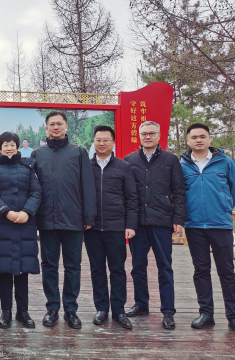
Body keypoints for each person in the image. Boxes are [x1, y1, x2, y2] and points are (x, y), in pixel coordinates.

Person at [180, 123, 235, 338]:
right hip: (194, 226)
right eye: (194, 137)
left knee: (227, 271)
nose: (198, 140)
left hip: (220, 224)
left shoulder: (225, 163)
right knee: (201, 270)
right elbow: (178, 193)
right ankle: (206, 313)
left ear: (209, 139)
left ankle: (234, 317)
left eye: (202, 136)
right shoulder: (182, 166)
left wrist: (224, 207)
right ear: (188, 141)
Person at [31, 111, 96, 329]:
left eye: (59, 124)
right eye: (52, 124)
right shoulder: (37, 154)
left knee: (73, 266)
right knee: (49, 266)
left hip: (73, 219)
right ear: (46, 128)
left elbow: (87, 185)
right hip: (46, 220)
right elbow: (32, 187)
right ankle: (52, 308)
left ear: (66, 127)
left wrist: (88, 215)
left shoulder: (78, 152)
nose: (56, 127)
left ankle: (70, 309)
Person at [124, 120, 186, 330]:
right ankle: (141, 304)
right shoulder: (130, 160)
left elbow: (179, 191)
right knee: (137, 267)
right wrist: (128, 222)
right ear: (139, 136)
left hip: (162, 222)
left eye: (152, 133)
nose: (148, 137)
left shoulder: (170, 160)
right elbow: (127, 194)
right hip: (138, 223)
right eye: (144, 133)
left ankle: (168, 311)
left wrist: (178, 219)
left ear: (159, 136)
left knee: (164, 267)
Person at [0, 132, 41, 329]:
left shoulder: (28, 167)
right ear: (0, 148)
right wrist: (6, 212)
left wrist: (26, 212)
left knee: (23, 269)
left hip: (25, 223)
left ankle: (23, 312)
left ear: (17, 147)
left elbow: (36, 192)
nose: (9, 148)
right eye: (5, 145)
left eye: (12, 144)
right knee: (4, 270)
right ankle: (6, 311)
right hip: (2, 224)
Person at [86, 125, 138, 329]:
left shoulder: (123, 167)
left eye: (106, 139)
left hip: (116, 227)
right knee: (97, 269)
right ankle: (101, 308)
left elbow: (131, 197)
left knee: (117, 270)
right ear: (94, 141)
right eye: (98, 139)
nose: (102, 143)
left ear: (113, 142)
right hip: (92, 228)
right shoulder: (86, 166)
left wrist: (130, 224)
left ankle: (118, 310)